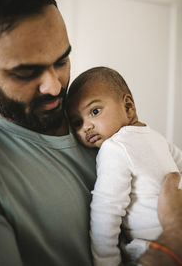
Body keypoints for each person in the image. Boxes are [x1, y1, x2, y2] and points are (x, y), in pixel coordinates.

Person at [0, 0, 181, 266]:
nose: (54, 87)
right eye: (26, 72)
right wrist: (174, 240)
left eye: (61, 61)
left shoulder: (99, 117)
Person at [66, 66, 182, 266]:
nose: (86, 127)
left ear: (128, 106)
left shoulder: (114, 147)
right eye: (77, 123)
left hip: (151, 245)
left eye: (94, 111)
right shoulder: (157, 138)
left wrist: (106, 261)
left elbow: (105, 210)